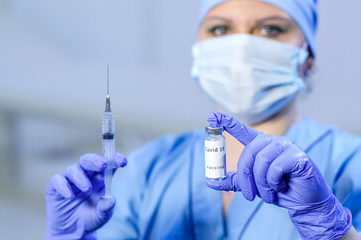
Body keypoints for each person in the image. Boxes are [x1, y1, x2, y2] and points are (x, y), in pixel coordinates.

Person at [45, 0, 361, 239]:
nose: (241, 51)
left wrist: (334, 230)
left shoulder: (351, 163)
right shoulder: (148, 167)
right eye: (220, 29)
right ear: (199, 48)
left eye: (271, 29)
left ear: (308, 56)